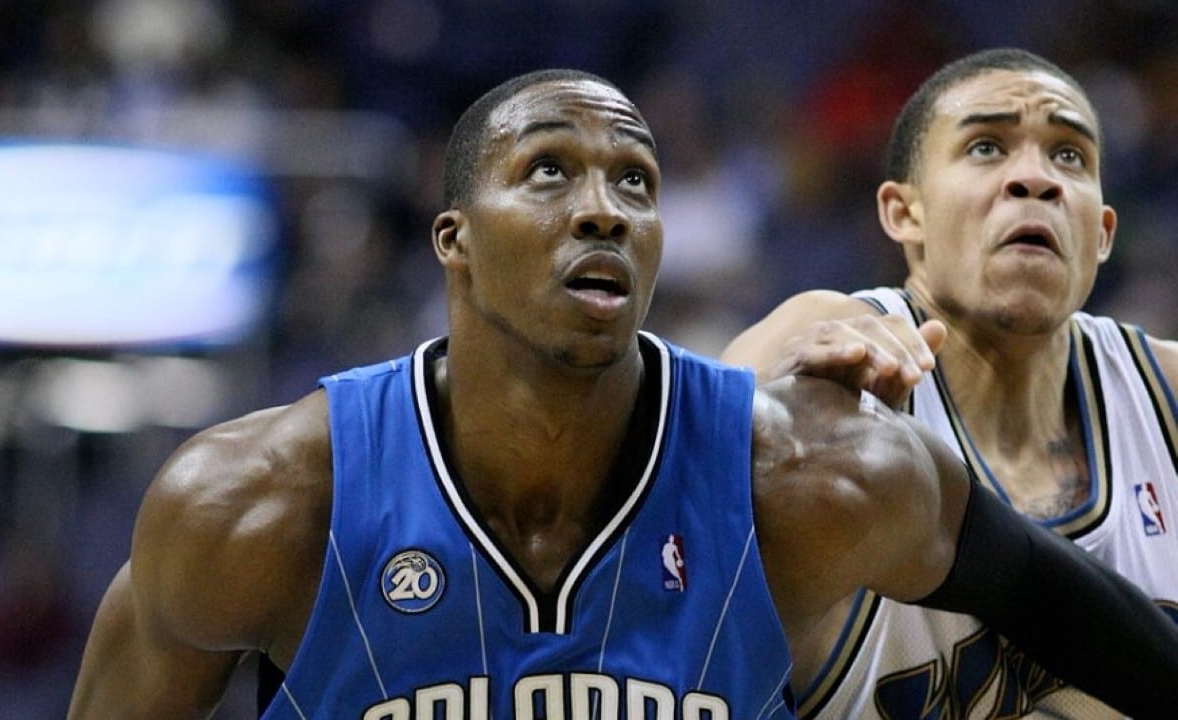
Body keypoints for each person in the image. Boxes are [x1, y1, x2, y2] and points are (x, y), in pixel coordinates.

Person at [66, 68, 1178, 720]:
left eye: (634, 184)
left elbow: (1096, 622)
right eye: (547, 170)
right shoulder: (253, 505)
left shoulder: (811, 475)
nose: (602, 209)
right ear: (453, 239)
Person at [722, 47, 1178, 719]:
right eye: (988, 148)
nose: (1036, 179)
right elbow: (684, 476)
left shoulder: (1164, 394)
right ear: (905, 214)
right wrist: (779, 394)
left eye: (1070, 157)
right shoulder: (831, 339)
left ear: (1103, 232)